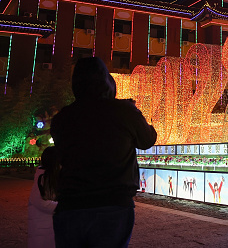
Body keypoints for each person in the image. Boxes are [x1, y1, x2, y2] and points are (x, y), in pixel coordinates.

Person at [50, 57, 157, 248]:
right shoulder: (124, 111)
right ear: (107, 82)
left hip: (71, 205)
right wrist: (136, 113)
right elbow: (148, 140)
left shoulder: (62, 118)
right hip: (113, 205)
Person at [28, 146, 59, 248]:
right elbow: (40, 201)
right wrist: (60, 206)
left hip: (46, 226)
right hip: (42, 227)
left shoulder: (47, 176)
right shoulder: (42, 178)